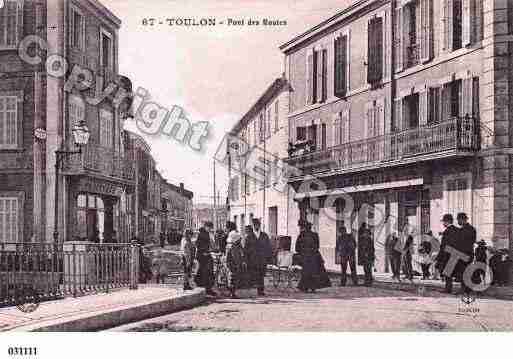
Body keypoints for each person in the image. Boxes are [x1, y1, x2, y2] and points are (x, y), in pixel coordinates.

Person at [295, 220, 331, 292]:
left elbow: (297, 247)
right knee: (314, 272)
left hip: (306, 256)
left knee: (306, 272)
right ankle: (312, 287)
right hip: (313, 256)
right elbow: (317, 246)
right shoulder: (314, 235)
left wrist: (302, 252)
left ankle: (305, 287)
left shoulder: (302, 235)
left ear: (305, 228)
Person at [435, 214, 459, 294]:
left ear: (447, 221)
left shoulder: (447, 231)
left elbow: (444, 246)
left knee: (447, 272)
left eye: (444, 222)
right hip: (455, 254)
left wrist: (439, 257)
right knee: (451, 272)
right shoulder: (457, 230)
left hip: (447, 254)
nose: (443, 223)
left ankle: (448, 289)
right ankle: (449, 288)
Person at [194, 221, 217, 296]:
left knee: (207, 272)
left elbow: (209, 244)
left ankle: (206, 288)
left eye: (211, 228)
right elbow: (197, 244)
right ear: (206, 227)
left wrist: (211, 249)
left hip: (206, 255)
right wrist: (204, 251)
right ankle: (206, 288)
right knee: (206, 272)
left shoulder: (206, 233)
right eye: (209, 227)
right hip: (202, 256)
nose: (210, 229)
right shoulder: (201, 234)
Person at [456, 212, 476, 293]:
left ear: (462, 219)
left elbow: (462, 242)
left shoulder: (464, 230)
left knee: (463, 271)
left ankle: (465, 289)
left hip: (464, 253)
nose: (458, 222)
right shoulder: (471, 229)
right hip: (468, 253)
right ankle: (466, 288)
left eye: (458, 220)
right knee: (465, 271)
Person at [225, 222, 246, 299]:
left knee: (232, 277)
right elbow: (235, 256)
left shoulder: (230, 245)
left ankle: (232, 292)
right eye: (239, 239)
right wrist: (238, 263)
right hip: (233, 264)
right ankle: (232, 293)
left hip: (231, 263)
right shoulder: (233, 246)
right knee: (232, 277)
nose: (240, 240)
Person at [357, 222, 375, 286]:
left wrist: (369, 254)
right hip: (365, 256)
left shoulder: (369, 240)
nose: (364, 234)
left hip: (368, 257)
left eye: (366, 233)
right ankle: (367, 281)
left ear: (368, 234)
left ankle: (369, 282)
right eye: (364, 233)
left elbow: (372, 249)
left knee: (368, 269)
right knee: (366, 269)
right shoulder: (365, 239)